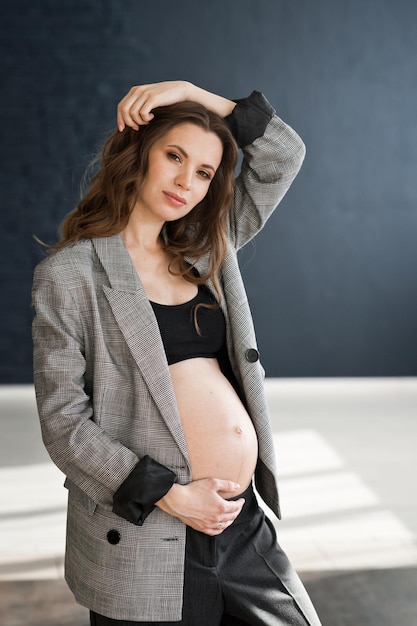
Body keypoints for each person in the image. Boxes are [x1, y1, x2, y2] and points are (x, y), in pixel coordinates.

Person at [32, 80, 321, 625]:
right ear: (139, 154)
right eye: (175, 156)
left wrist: (198, 95)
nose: (187, 181)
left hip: (239, 525)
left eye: (206, 172)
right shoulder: (70, 276)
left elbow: (284, 156)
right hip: (147, 530)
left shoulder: (208, 246)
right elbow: (64, 424)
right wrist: (170, 495)